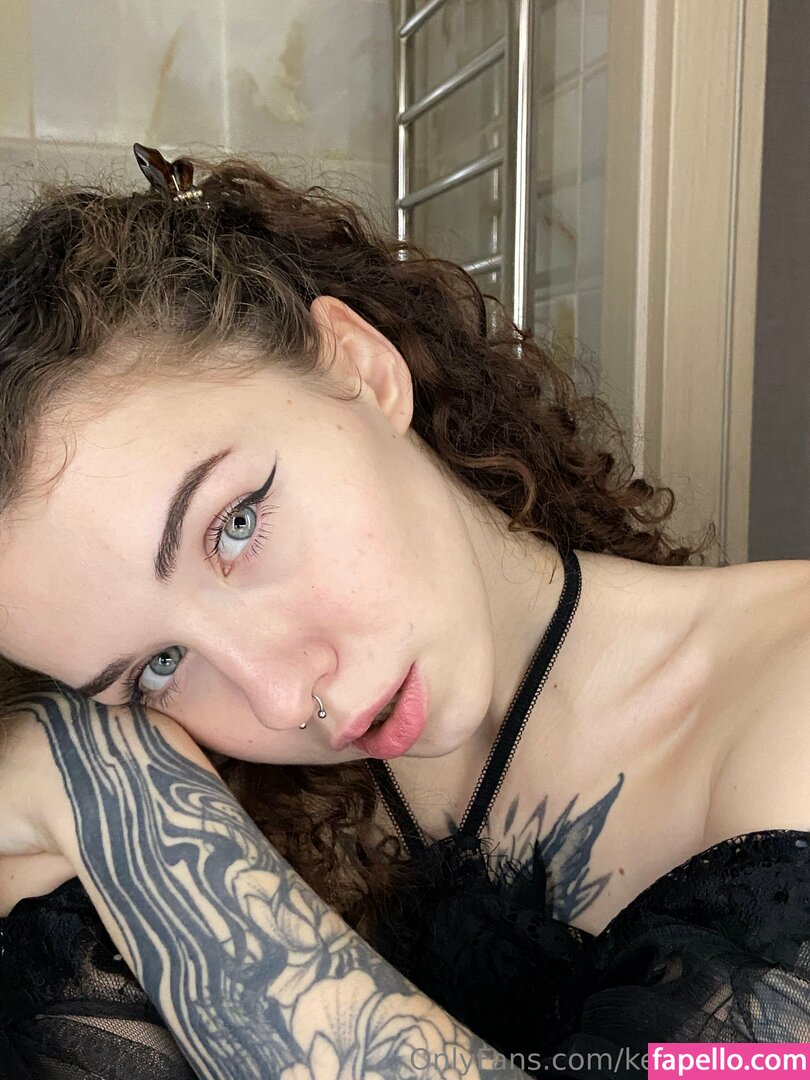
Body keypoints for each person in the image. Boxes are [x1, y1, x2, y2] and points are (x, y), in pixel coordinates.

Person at [0, 144, 809, 1079]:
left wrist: (117, 799)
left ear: (362, 367)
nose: (279, 698)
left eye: (237, 525)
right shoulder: (209, 780)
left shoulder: (786, 701)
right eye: (160, 667)